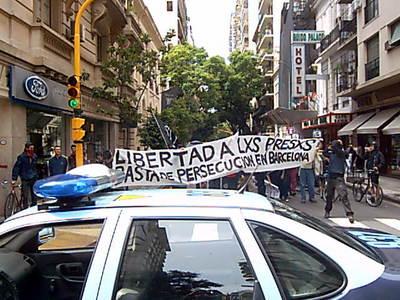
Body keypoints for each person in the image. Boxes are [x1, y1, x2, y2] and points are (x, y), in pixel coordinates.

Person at [323, 139, 354, 223]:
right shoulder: (331, 153)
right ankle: (327, 211)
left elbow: (344, 153)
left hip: (338, 177)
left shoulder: (341, 153)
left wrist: (337, 146)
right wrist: (329, 147)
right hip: (331, 177)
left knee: (343, 195)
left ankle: (349, 213)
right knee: (329, 196)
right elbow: (324, 152)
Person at [11, 143, 38, 208]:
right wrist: (14, 178)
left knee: (34, 195)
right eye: (31, 148)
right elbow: (17, 167)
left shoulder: (34, 156)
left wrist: (36, 175)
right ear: (26, 148)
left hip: (33, 177)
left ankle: (33, 207)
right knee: (25, 195)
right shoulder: (21, 157)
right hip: (25, 178)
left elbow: (35, 167)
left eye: (33, 148)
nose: (32, 150)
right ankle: (25, 208)